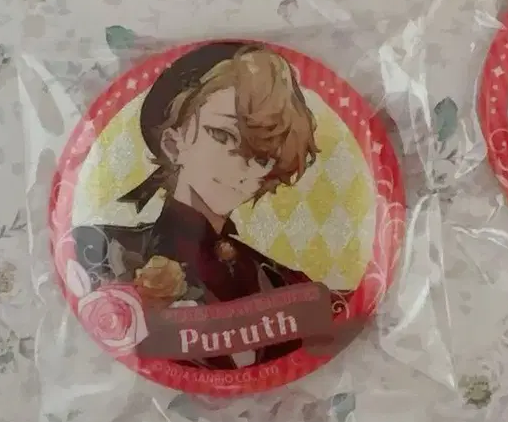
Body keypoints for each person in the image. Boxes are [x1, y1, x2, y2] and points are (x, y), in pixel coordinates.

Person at [74, 42, 342, 369]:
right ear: (173, 144)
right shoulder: (99, 250)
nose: (239, 165)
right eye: (222, 135)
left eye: (261, 157)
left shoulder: (283, 282)